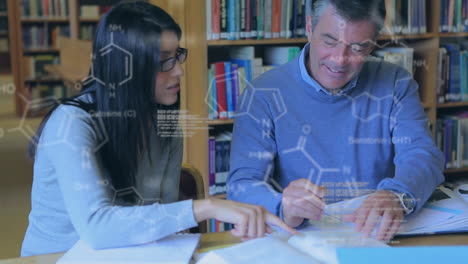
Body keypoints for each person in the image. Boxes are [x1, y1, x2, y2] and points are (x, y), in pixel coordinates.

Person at [21, 1, 295, 257]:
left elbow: (159, 215)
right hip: (56, 258)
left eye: (177, 56)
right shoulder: (71, 123)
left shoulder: (164, 122)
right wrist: (209, 206)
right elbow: (97, 227)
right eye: (164, 61)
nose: (179, 71)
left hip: (129, 253)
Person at [227, 0, 444, 242]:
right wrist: (283, 206)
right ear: (309, 27)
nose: (339, 60)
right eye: (329, 41)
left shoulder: (395, 83)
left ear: (374, 42)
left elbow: (422, 154)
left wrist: (397, 195)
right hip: (296, 240)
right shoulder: (263, 93)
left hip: (375, 238)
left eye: (358, 48)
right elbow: (242, 185)